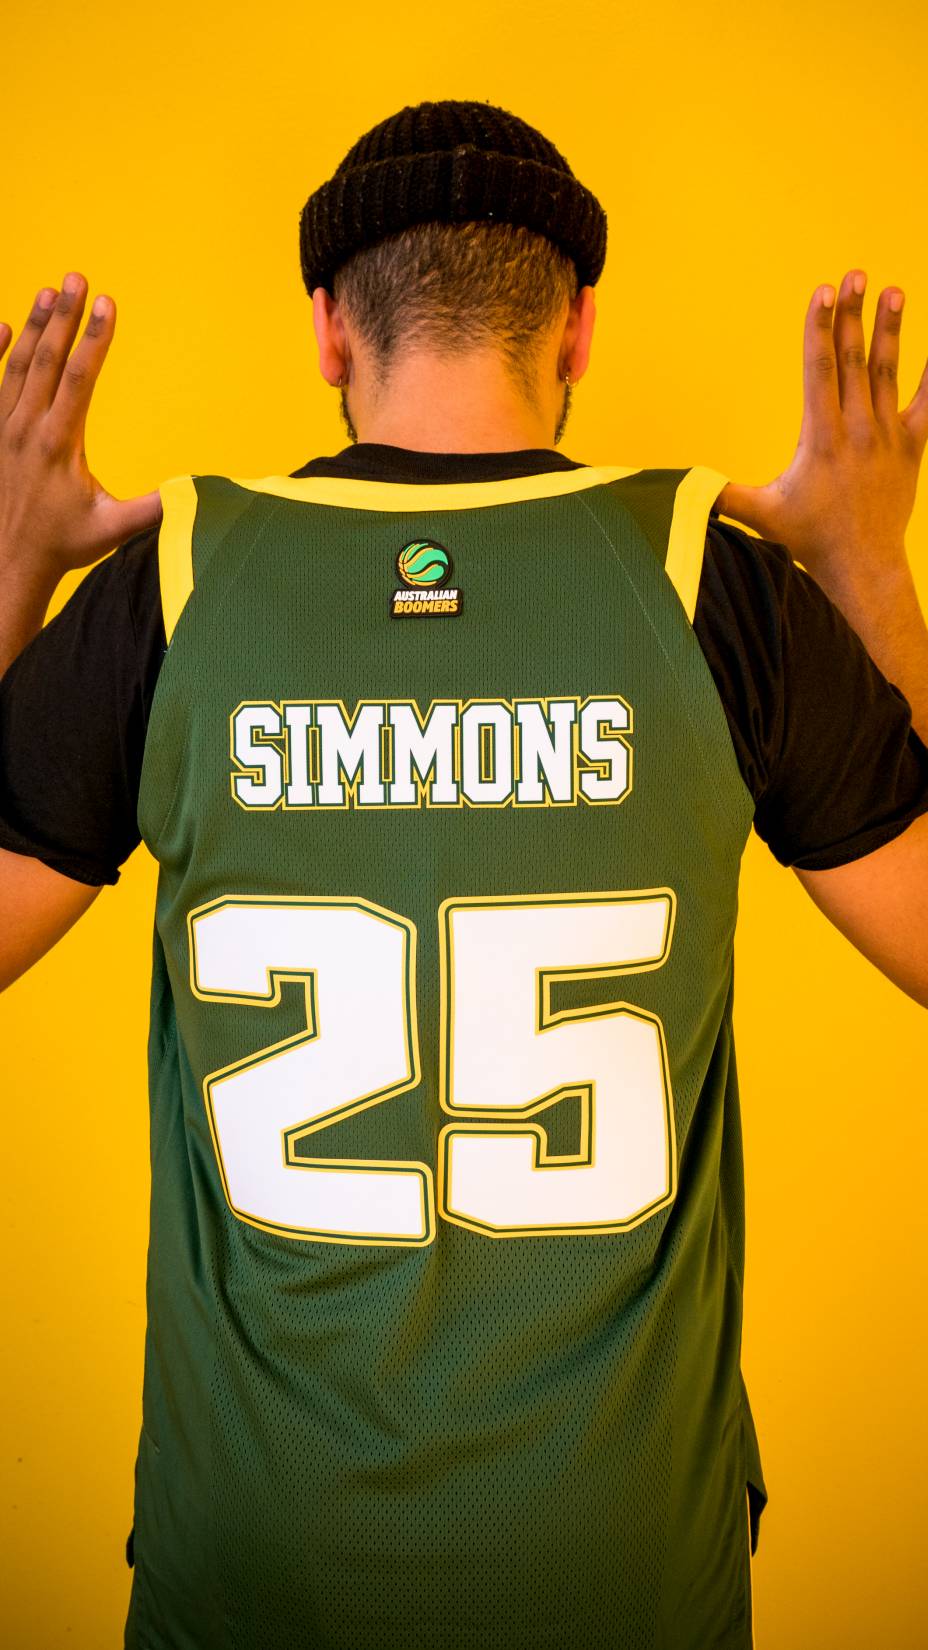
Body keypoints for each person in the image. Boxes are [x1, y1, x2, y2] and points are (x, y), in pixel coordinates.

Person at [1, 98, 926, 1650]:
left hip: (257, 1575)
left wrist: (15, 564)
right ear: (577, 330)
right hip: (626, 1578)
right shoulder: (711, 587)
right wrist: (870, 572)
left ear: (327, 329)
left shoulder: (178, 586)